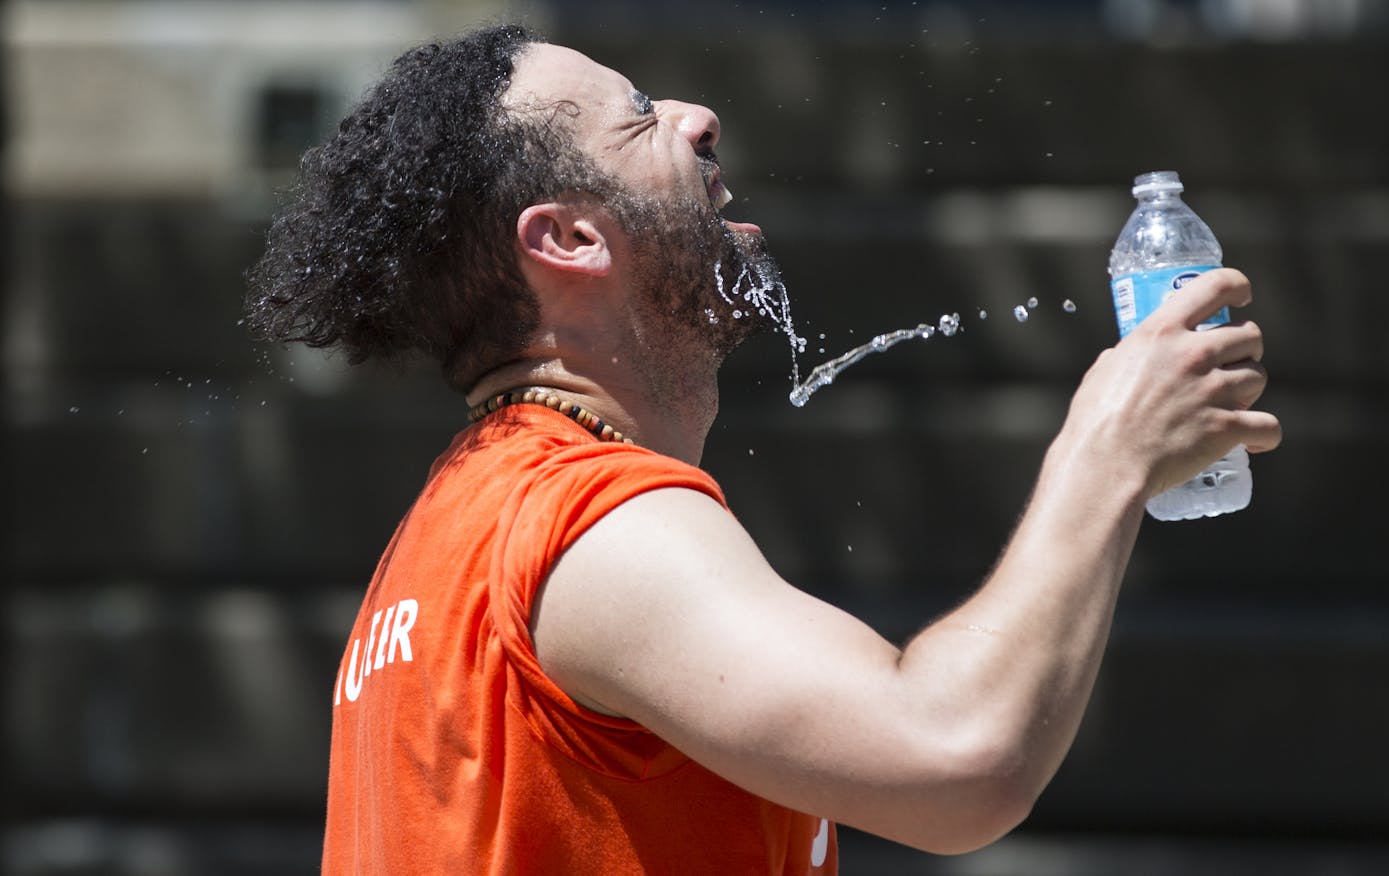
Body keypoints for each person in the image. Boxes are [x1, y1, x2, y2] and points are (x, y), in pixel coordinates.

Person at [245, 24, 1282, 876]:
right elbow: (960, 755)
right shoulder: (592, 525)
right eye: (641, 120)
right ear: (566, 240)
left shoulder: (452, 531)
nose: (698, 118)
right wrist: (1102, 454)